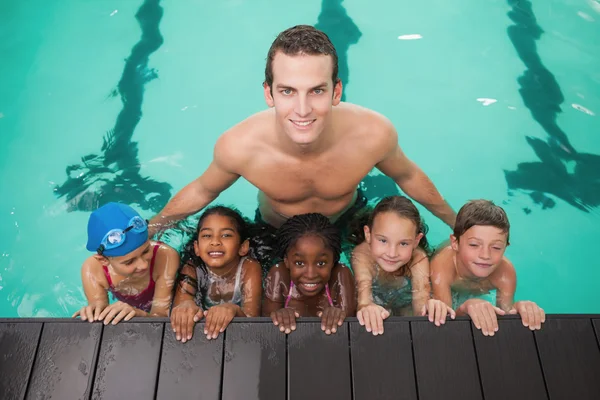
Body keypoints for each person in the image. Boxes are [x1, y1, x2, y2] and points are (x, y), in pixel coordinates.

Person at [147, 25, 455, 256]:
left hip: (348, 220)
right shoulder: (241, 146)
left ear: (336, 91)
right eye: (288, 91)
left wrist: (457, 224)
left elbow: (408, 175)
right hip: (274, 231)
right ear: (269, 93)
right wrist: (152, 230)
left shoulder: (372, 133)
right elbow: (203, 189)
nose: (303, 110)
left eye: (317, 91)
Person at [430, 199, 545, 336]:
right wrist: (465, 308)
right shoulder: (442, 267)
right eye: (474, 245)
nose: (485, 255)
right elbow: (444, 322)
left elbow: (505, 313)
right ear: (455, 243)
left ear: (505, 248)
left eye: (496, 247)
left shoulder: (505, 273)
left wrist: (520, 310)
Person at [351, 196, 455, 335]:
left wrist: (429, 308)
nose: (392, 253)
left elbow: (421, 300)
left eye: (403, 243)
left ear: (416, 241)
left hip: (402, 301)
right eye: (383, 240)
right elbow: (363, 298)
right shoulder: (362, 255)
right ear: (368, 234)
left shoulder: (418, 258)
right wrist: (366, 306)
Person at [73, 202, 179, 324]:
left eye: (146, 251)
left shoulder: (166, 256)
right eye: (129, 262)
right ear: (104, 260)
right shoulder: (93, 269)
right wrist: (94, 312)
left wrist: (139, 314)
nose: (143, 265)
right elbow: (100, 310)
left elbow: (161, 318)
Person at [169, 206, 262, 342]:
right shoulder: (192, 268)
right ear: (197, 248)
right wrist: (186, 307)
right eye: (207, 235)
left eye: (226, 235)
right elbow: (180, 308)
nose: (215, 242)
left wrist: (234, 309)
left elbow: (253, 319)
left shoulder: (249, 267)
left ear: (243, 247)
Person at [262, 213, 356, 335]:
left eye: (321, 263)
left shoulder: (340, 274)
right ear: (286, 261)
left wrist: (338, 315)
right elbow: (264, 324)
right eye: (299, 263)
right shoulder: (279, 274)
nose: (310, 275)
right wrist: (278, 316)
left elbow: (350, 326)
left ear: (333, 261)